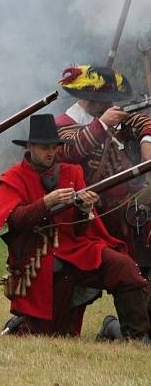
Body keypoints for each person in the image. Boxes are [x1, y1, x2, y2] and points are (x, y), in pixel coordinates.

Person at [0, 115, 150, 340]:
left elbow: (81, 229)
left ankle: (135, 337)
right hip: (38, 256)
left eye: (54, 147)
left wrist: (85, 209)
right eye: (45, 147)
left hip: (77, 248)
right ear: (30, 147)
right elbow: (15, 220)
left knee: (123, 266)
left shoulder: (72, 173)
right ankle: (24, 324)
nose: (51, 153)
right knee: (50, 334)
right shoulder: (14, 178)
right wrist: (45, 204)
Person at [55, 64, 151, 271]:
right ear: (89, 99)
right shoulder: (64, 123)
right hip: (88, 214)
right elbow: (72, 150)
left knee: (137, 274)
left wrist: (146, 145)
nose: (111, 103)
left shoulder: (109, 116)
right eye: (106, 99)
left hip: (125, 209)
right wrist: (102, 124)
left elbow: (143, 123)